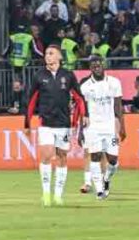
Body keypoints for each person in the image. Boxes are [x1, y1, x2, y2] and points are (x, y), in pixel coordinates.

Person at [24, 44, 86, 207]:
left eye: (51, 53)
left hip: (64, 124)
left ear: (60, 56)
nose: (48, 56)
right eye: (46, 53)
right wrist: (27, 123)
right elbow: (31, 100)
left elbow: (79, 98)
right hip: (46, 123)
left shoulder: (68, 75)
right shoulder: (39, 76)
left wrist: (84, 115)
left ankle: (58, 195)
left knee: (62, 157)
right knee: (46, 155)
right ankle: (46, 193)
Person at [78, 56, 126, 200]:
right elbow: (82, 111)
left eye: (99, 65)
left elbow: (118, 106)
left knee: (113, 160)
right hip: (93, 127)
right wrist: (81, 131)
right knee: (95, 156)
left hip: (110, 127)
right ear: (90, 68)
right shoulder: (85, 86)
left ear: (103, 66)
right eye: (93, 66)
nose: (97, 68)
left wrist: (122, 127)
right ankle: (99, 190)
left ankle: (106, 179)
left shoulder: (114, 83)